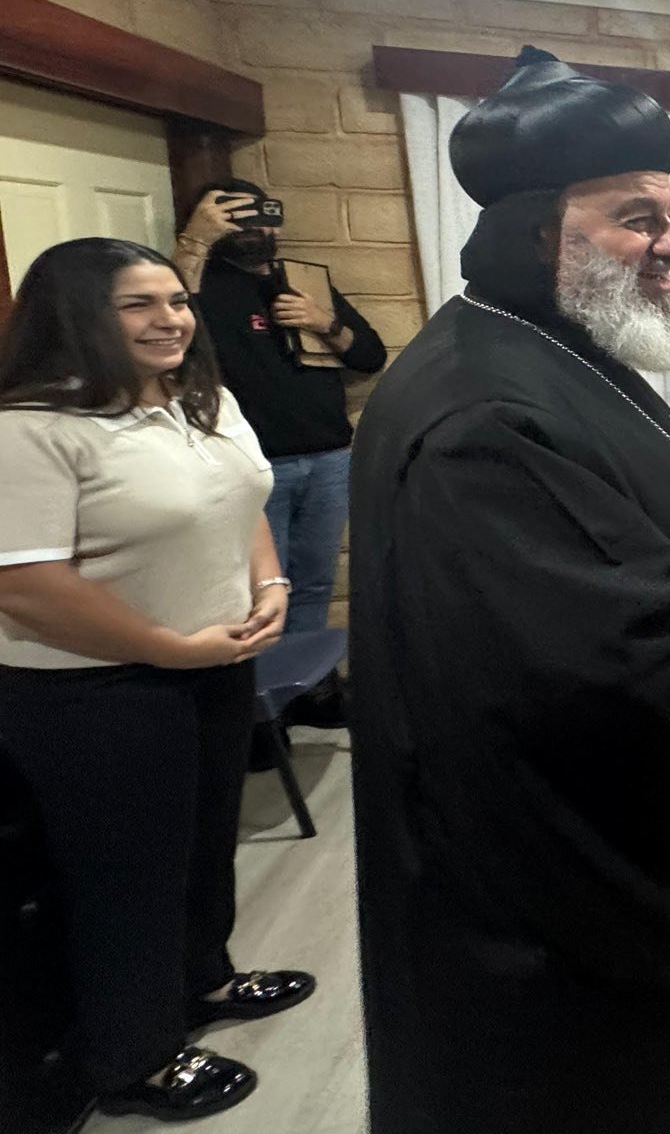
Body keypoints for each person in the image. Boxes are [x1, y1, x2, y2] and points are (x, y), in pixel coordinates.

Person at [347, 48, 670, 1134]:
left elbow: (590, 494)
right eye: (638, 218)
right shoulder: (479, 421)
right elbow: (629, 673)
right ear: (540, 232)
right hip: (565, 935)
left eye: (667, 215)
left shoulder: (530, 341)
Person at [0, 238, 312, 1122]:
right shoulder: (30, 429)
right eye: (138, 304)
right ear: (74, 316)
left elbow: (239, 504)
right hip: (95, 692)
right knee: (126, 879)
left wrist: (271, 585)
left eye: (176, 301)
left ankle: (202, 979)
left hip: (211, 664)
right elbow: (24, 584)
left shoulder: (199, 400)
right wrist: (166, 648)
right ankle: (134, 1057)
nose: (170, 320)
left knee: (204, 843)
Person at [173, 178, 387, 644]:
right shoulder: (199, 286)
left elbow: (370, 356)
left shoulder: (300, 280)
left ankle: (304, 677)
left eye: (262, 217)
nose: (255, 229)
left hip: (329, 457)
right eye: (237, 219)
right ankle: (263, 684)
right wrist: (196, 240)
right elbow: (174, 330)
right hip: (256, 464)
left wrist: (325, 323)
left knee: (315, 583)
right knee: (261, 590)